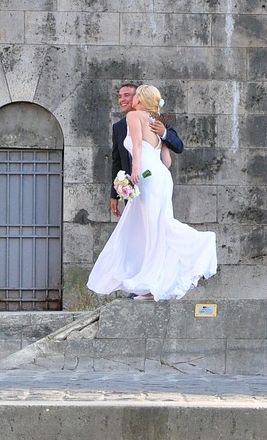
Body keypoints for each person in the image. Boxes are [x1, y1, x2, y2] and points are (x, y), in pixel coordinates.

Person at [89, 84, 216, 300]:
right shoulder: (156, 121)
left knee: (155, 227)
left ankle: (200, 243)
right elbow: (166, 162)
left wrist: (135, 171)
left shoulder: (136, 117)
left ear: (139, 99)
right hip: (160, 177)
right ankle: (152, 283)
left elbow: (137, 146)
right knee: (153, 227)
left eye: (132, 95)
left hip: (146, 177)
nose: (127, 99)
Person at [110, 82, 184, 217]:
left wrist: (164, 133)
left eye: (127, 95)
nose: (122, 100)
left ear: (138, 98)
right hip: (148, 180)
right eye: (120, 96)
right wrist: (115, 194)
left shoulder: (159, 121)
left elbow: (179, 146)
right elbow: (117, 162)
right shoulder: (118, 127)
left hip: (141, 178)